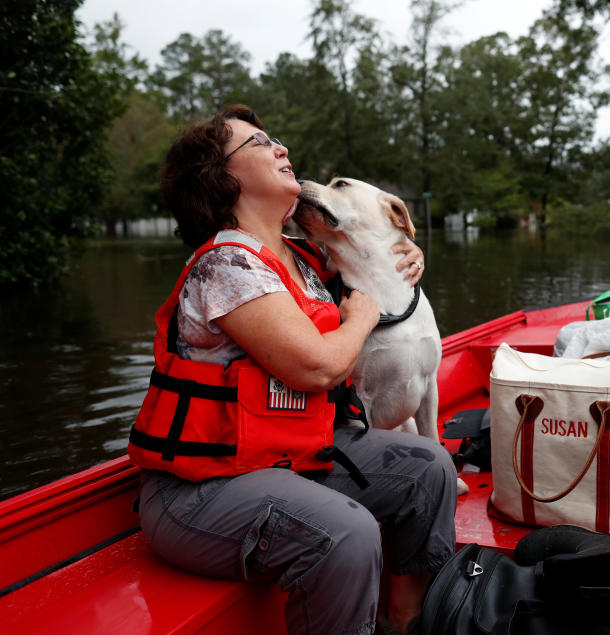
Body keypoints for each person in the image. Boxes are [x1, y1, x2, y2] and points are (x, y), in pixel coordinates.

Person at [127, 105, 456, 635]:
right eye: (259, 143)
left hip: (287, 458)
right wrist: (362, 314)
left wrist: (405, 248)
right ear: (222, 178)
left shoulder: (304, 259)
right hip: (199, 491)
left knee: (430, 466)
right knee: (346, 531)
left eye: (275, 138)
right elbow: (319, 367)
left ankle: (406, 620)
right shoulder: (226, 265)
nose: (281, 148)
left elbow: (369, 248)